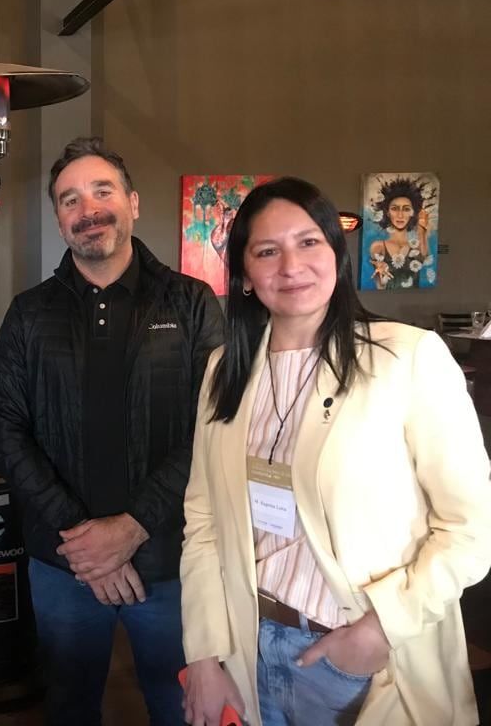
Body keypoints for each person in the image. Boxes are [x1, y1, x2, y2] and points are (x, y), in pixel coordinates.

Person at [180, 176, 491, 726]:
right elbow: (203, 520)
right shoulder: (222, 372)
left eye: (308, 242)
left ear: (336, 254)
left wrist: (380, 629)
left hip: (361, 656)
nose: (290, 265)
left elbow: (470, 529)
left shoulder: (407, 358)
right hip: (248, 646)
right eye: (267, 251)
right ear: (246, 275)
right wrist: (204, 652)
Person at [0, 137, 224, 725]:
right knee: (68, 706)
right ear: (60, 219)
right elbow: (5, 429)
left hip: (171, 558)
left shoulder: (191, 302)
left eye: (102, 191)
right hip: (65, 563)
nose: (87, 208)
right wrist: (82, 537)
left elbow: (216, 429)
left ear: (133, 202)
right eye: (70, 199)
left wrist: (134, 525)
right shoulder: (29, 312)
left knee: (182, 707)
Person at [367, 176, 433, 290]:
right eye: (395, 208)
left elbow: (424, 257)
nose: (400, 215)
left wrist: (422, 229)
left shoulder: (417, 248)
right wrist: (380, 274)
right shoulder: (378, 247)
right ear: (387, 212)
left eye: (406, 209)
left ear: (413, 213)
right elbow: (380, 286)